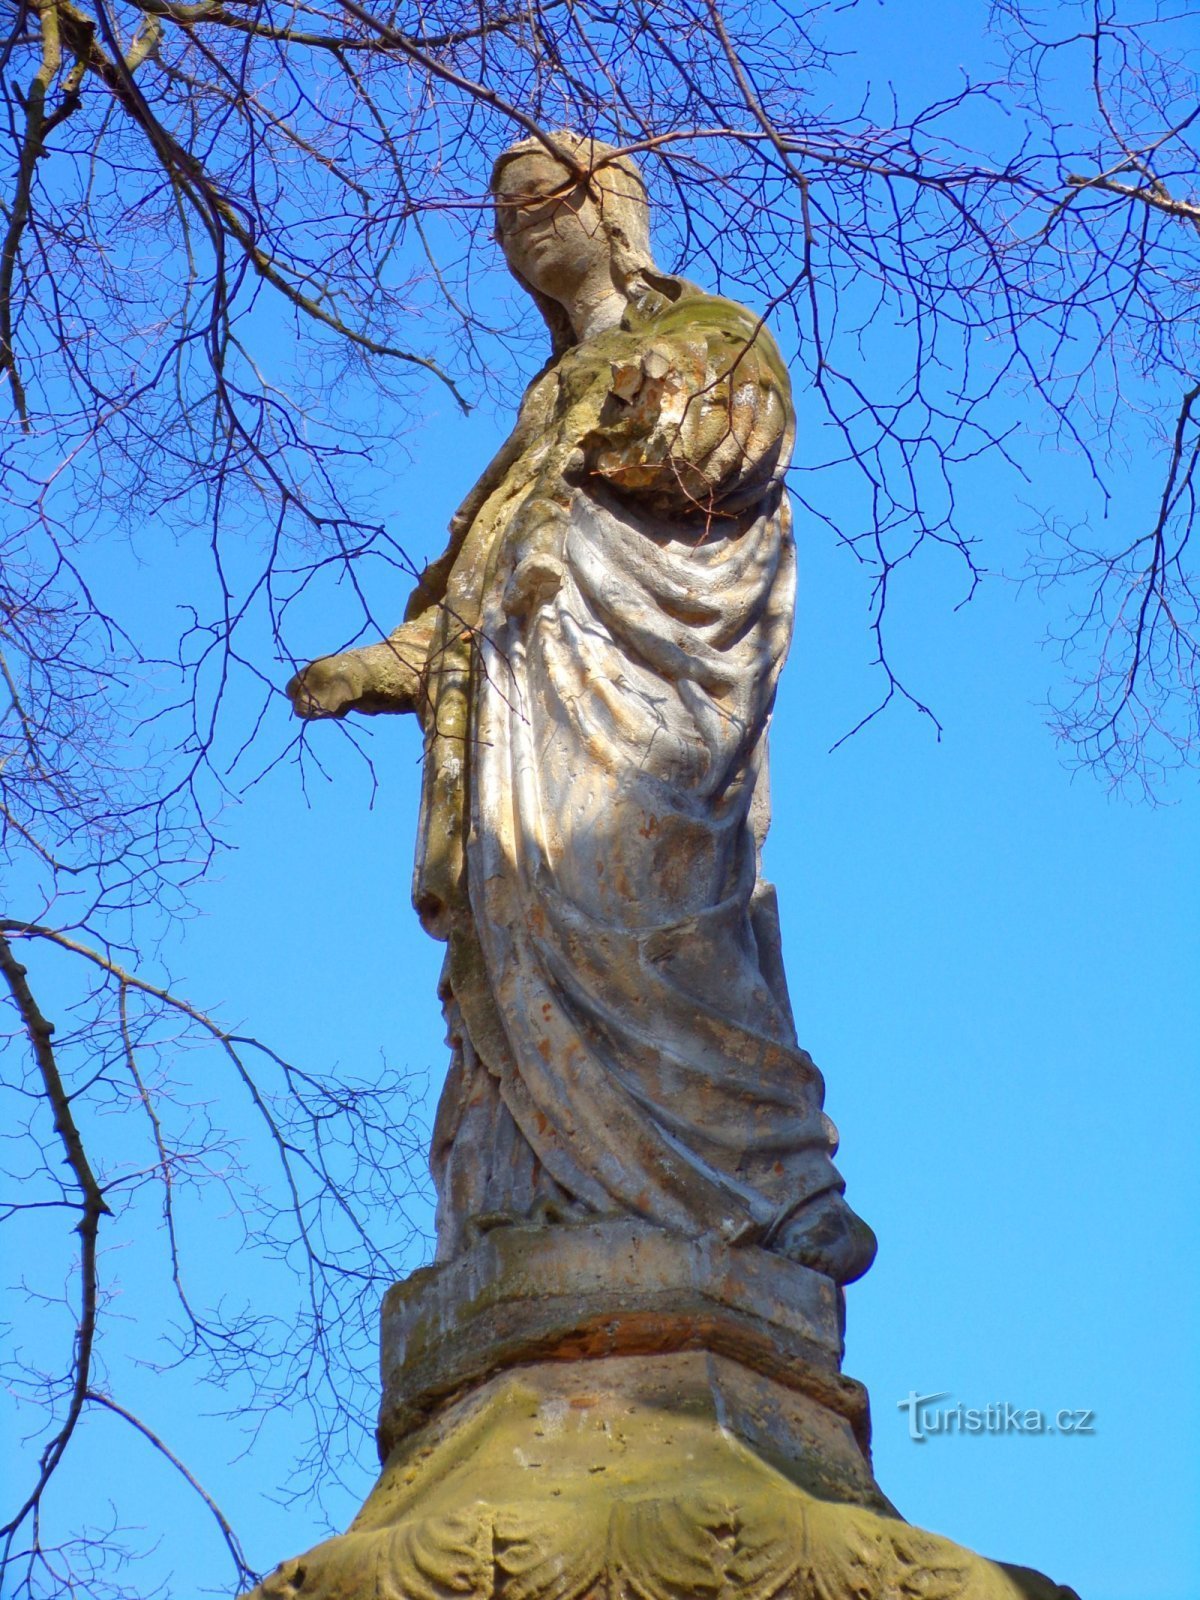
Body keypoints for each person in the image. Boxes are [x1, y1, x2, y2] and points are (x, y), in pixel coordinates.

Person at [288, 133, 876, 1285]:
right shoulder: (546, 397)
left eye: (537, 201)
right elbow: (491, 574)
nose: (517, 229)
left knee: (657, 910)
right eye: (501, 217)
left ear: (611, 205)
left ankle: (772, 1191)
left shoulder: (709, 336)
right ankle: (537, 1201)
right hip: (525, 724)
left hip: (644, 701)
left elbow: (732, 439)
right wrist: (393, 660)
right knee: (518, 938)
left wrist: (619, 419)